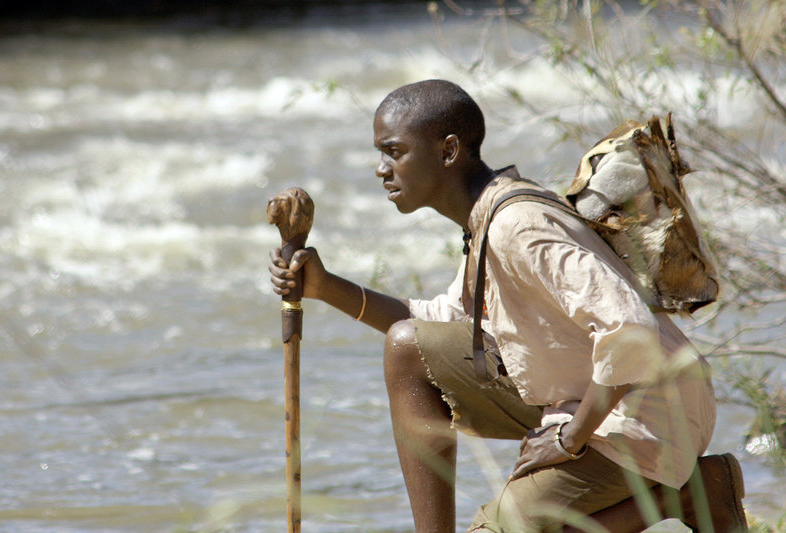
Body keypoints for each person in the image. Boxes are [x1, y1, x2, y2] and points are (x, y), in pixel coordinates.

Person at [268, 79, 747, 532]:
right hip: (591, 399)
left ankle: (694, 494)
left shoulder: (517, 224)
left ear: (448, 150)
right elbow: (435, 326)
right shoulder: (489, 219)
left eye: (394, 152)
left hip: (647, 417)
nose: (381, 168)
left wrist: (571, 437)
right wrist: (325, 286)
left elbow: (630, 328)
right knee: (408, 348)